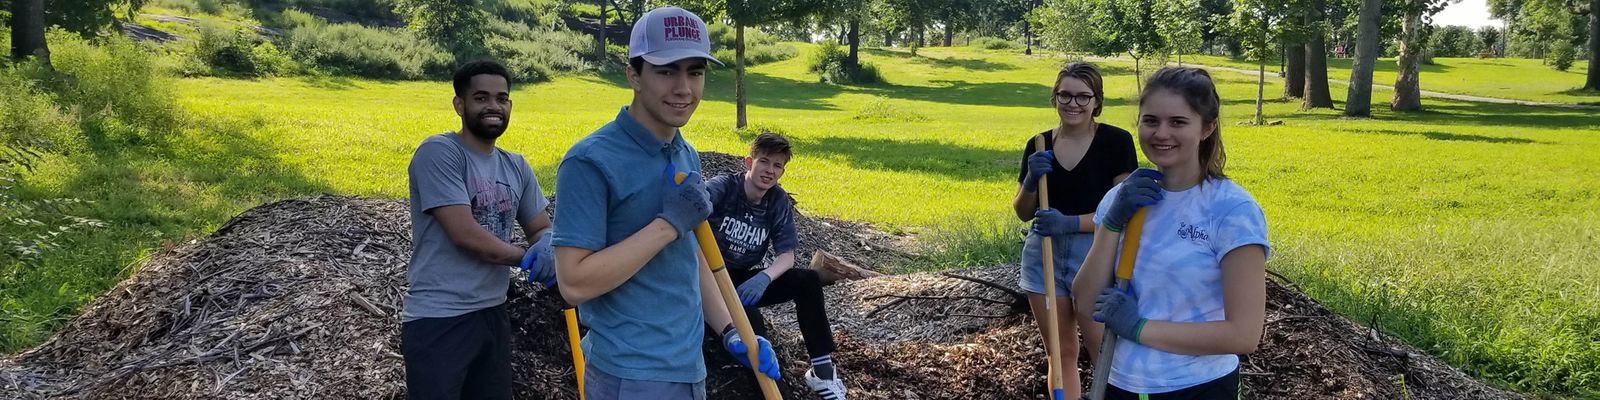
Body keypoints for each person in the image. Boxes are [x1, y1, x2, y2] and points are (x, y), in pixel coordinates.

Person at [551, 6, 779, 400]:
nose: (683, 88)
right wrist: (667, 224)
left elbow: (689, 255)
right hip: (629, 374)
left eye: (695, 71)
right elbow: (573, 283)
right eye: (666, 70)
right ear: (633, 75)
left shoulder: (684, 152)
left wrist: (732, 330)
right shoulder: (589, 161)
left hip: (688, 368)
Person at [1072, 67, 1270, 400]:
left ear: (1207, 127)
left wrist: (1138, 328)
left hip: (1196, 387)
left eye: (1177, 122)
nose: (1161, 133)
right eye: (1150, 121)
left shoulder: (1232, 210)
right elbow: (1087, 300)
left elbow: (1244, 334)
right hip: (1120, 380)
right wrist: (1111, 223)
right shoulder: (1123, 198)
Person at [401, 59, 557, 400]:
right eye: (481, 97)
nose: (493, 107)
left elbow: (541, 226)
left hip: (493, 313)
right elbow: (466, 236)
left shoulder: (515, 165)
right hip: (439, 319)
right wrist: (528, 258)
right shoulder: (440, 152)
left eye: (501, 98)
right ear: (460, 104)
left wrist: (547, 246)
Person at [1013, 62, 1139, 400]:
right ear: (1054, 97)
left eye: (1083, 96)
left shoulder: (1116, 142)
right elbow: (1023, 212)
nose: (1073, 104)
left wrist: (1070, 223)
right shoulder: (1038, 144)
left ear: (1097, 101)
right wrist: (1029, 180)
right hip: (1044, 255)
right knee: (1061, 350)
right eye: (1065, 95)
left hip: (1095, 254)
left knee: (1102, 350)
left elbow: (1122, 210)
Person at [707, 132, 847, 400]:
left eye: (777, 165)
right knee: (752, 325)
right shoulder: (726, 186)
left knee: (807, 280)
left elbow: (787, 256)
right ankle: (773, 394)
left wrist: (764, 278)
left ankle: (822, 371)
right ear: (749, 162)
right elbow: (700, 201)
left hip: (744, 281)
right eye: (764, 161)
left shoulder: (777, 200)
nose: (770, 171)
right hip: (707, 279)